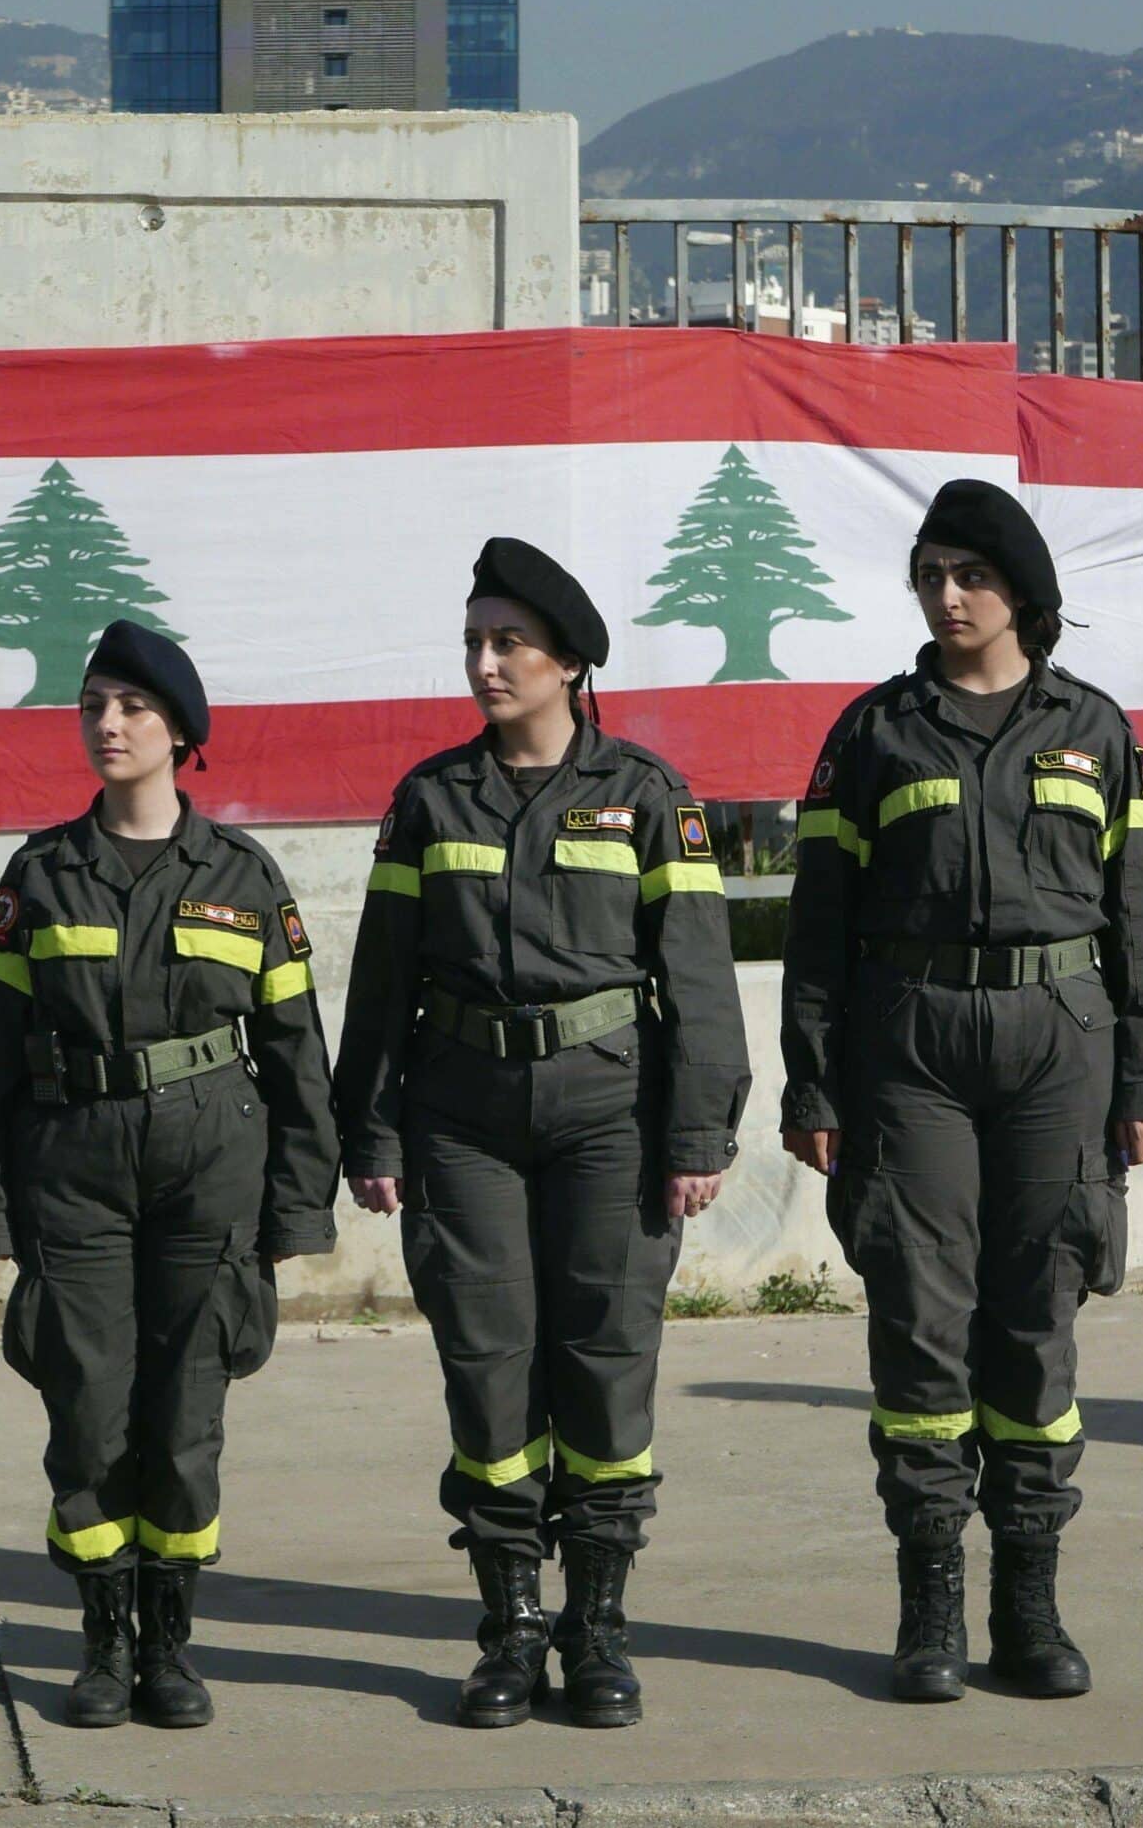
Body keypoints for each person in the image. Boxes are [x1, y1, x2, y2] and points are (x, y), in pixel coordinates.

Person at [779, 479, 1143, 1704]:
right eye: (930, 575)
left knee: (1036, 1316)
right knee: (917, 1317)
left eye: (969, 575)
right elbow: (820, 928)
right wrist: (815, 1082)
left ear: (1021, 593)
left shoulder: (1098, 731)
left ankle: (1029, 1605)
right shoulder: (873, 734)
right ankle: (930, 1608)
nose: (946, 597)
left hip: (1059, 1043)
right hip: (910, 1044)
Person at [334, 537, 752, 1730]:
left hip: (609, 1117)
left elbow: (701, 986)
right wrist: (370, 1129)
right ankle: (512, 1626)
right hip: (460, 1116)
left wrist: (698, 1134)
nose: (484, 662)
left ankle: (599, 1628)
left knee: (606, 1364)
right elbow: (381, 981)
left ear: (569, 660)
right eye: (475, 640)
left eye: (509, 641)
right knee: (488, 1363)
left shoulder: (651, 797)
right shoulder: (430, 800)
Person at [0, 618, 338, 1732]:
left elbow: (298, 1054)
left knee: (185, 1415)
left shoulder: (245, 880)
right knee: (87, 1410)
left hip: (209, 1174)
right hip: (72, 1169)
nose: (108, 725)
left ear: (180, 733)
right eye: (94, 706)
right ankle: (102, 1643)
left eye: (133, 708)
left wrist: (300, 1205)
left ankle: (172, 1644)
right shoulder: (40, 876)